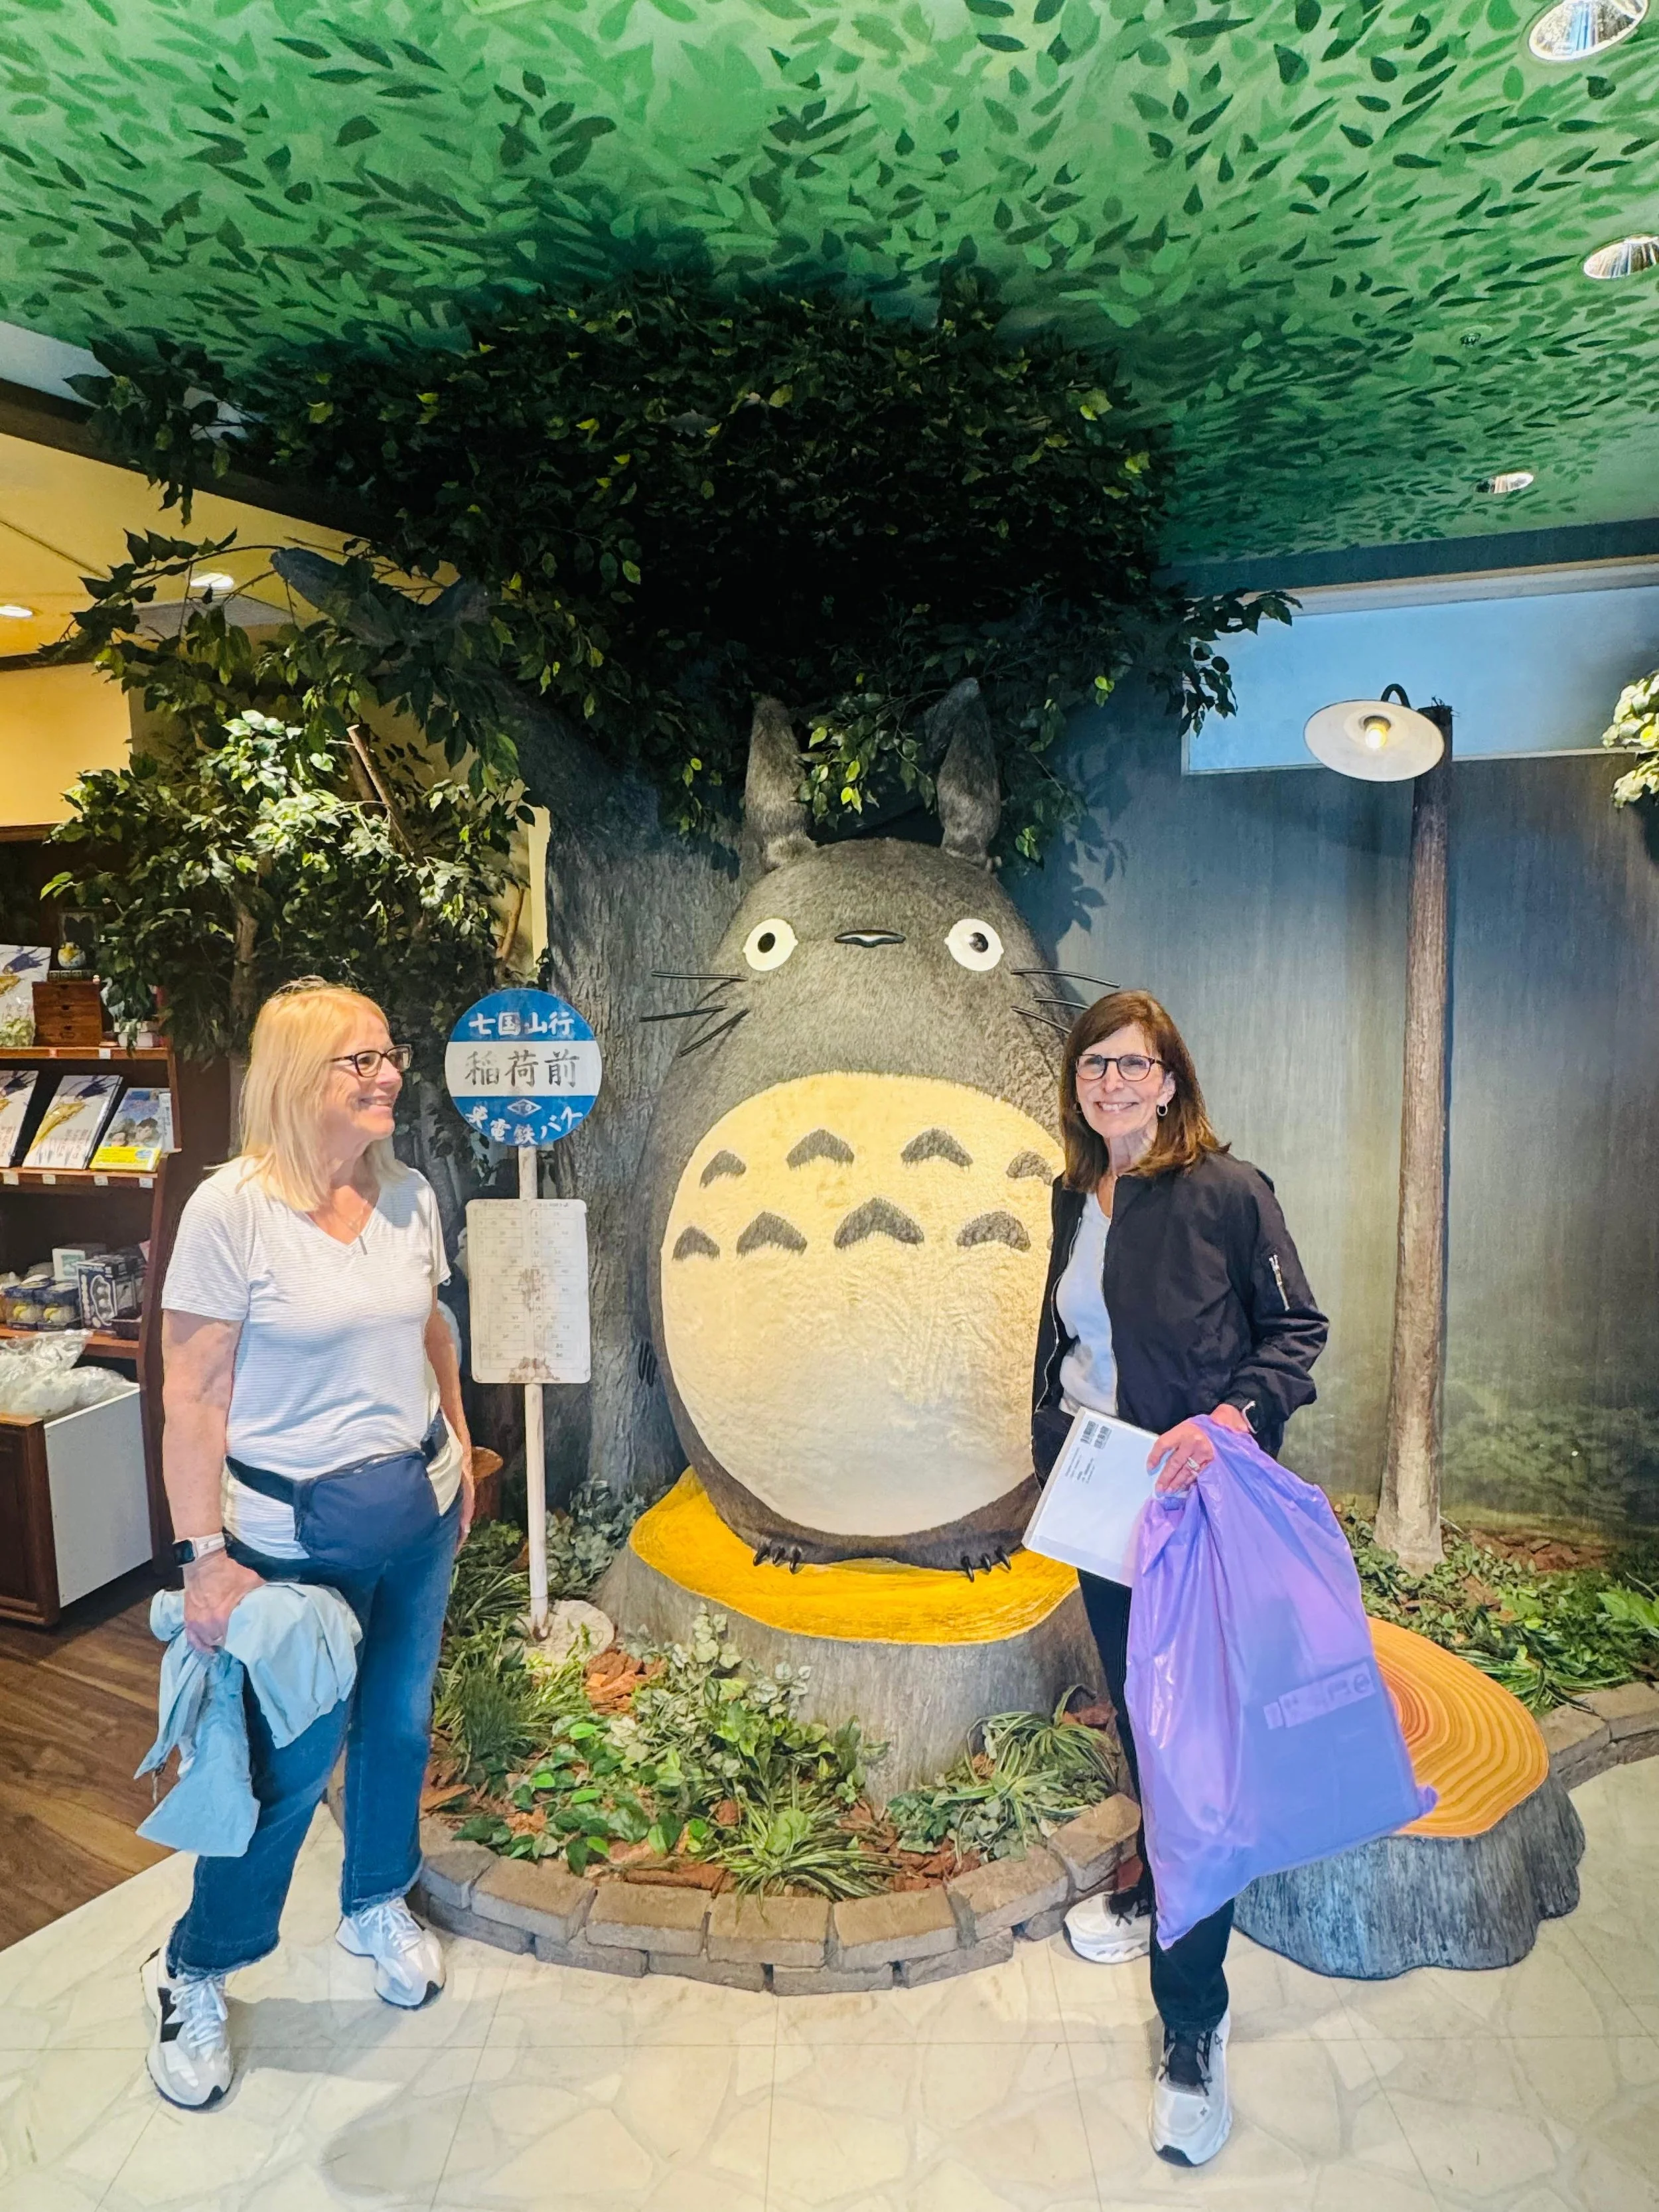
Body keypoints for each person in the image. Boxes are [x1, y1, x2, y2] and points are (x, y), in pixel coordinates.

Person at [144, 980, 474, 2111]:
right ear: (296, 1079)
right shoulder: (230, 1212)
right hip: (286, 1544)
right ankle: (196, 1967)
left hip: (416, 1518)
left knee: (396, 1724)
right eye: (361, 1061)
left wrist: (463, 1449)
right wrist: (204, 1559)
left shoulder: (408, 1197)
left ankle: (376, 1897)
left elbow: (432, 1329)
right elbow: (192, 1396)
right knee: (286, 1768)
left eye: (392, 1053)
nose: (390, 1075)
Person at [1031, 988, 1327, 2169]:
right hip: (1104, 1497)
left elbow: (1294, 1333)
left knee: (1192, 1751)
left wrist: (1231, 1417)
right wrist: (1047, 1455)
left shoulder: (1227, 1193)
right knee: (1151, 1735)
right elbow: (1067, 1342)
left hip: (1194, 1504)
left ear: (1169, 1079)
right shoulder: (1073, 1194)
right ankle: (1158, 1881)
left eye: (1132, 1066)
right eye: (1094, 1065)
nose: (1112, 1083)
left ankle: (1193, 2028)